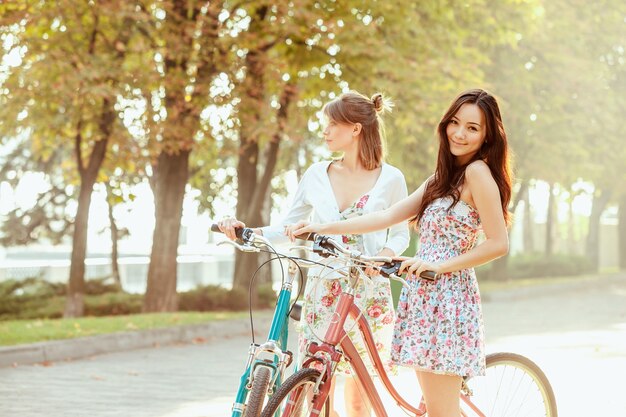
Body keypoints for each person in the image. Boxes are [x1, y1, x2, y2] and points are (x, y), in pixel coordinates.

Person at [289, 88, 512, 417]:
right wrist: (321, 228)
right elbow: (385, 217)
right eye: (455, 123)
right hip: (423, 297)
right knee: (435, 407)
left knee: (440, 412)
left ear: (487, 137)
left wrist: (438, 267)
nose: (460, 133)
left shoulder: (477, 174)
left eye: (473, 128)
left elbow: (498, 243)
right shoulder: (439, 180)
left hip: (450, 300)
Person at [217, 91, 410, 417]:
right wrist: (245, 231)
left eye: (332, 124)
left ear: (355, 129)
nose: (325, 131)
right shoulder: (316, 175)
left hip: (367, 293)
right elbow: (287, 228)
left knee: (358, 398)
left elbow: (401, 232)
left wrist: (385, 256)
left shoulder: (390, 178)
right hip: (323, 292)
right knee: (317, 390)